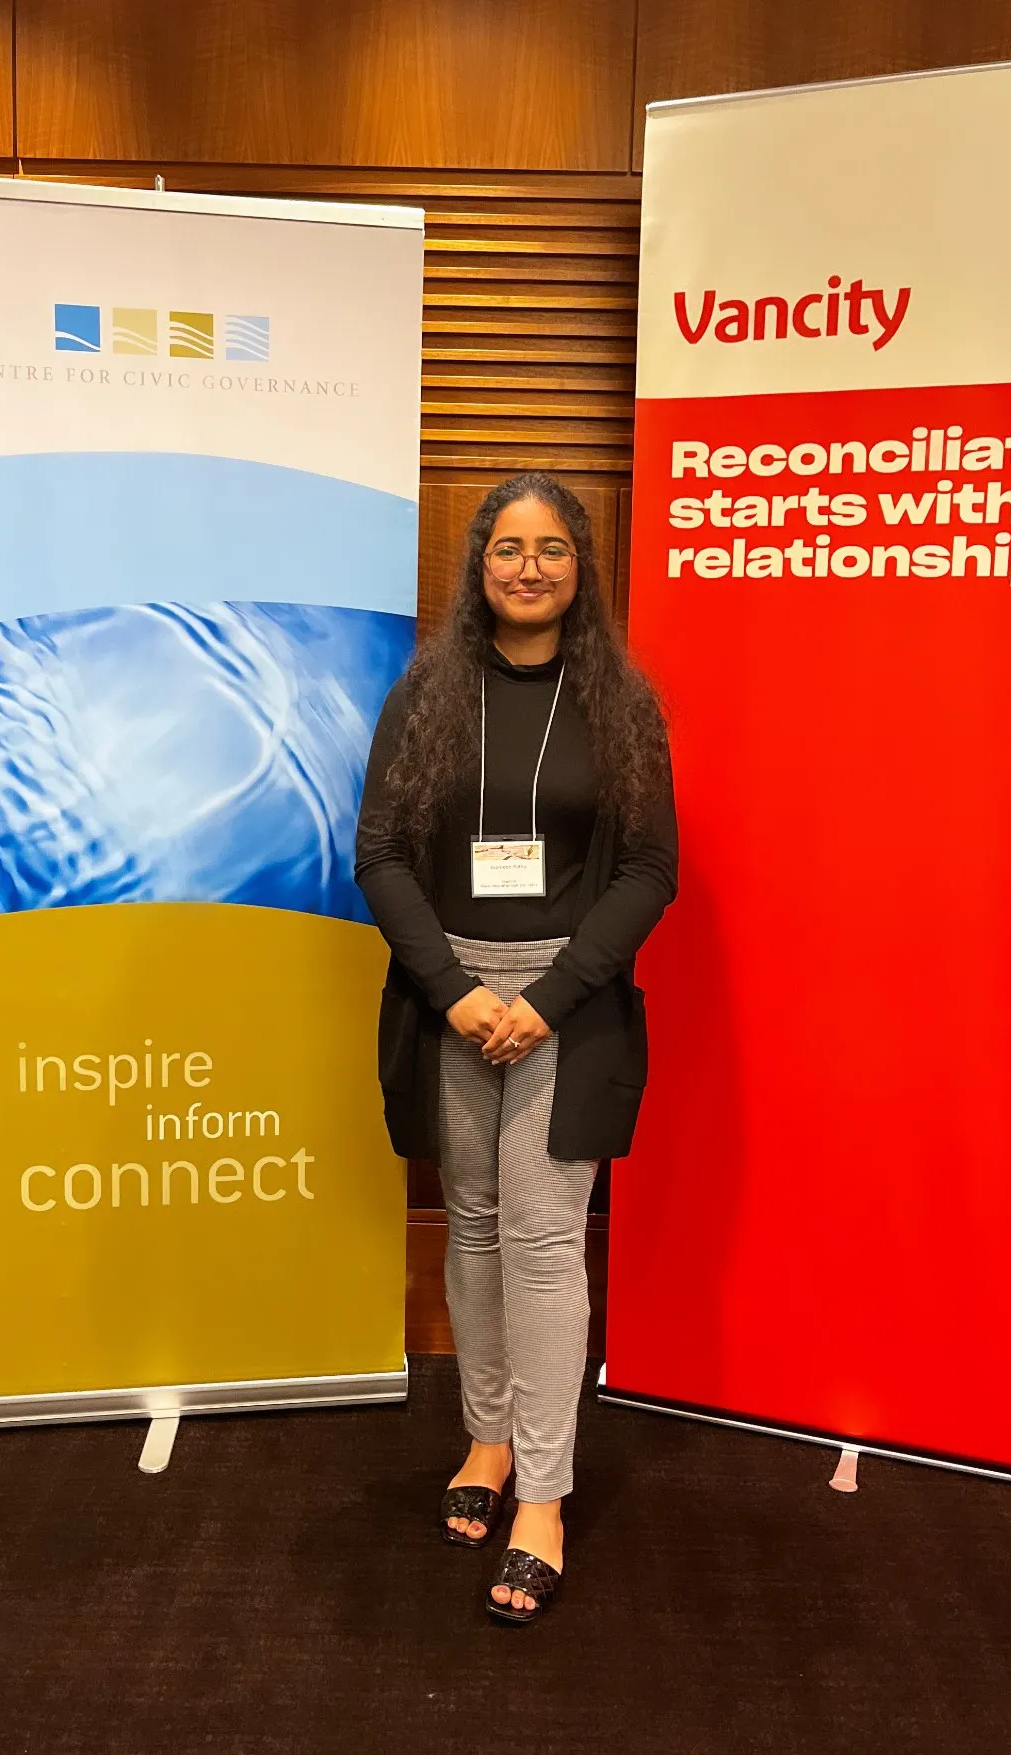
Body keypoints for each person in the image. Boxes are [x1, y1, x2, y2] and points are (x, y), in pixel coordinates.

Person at [355, 471, 677, 1624]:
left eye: (551, 548)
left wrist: (544, 996)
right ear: (478, 564)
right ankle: (485, 1439)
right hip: (449, 998)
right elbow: (381, 852)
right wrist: (454, 992)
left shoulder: (623, 704)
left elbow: (650, 872)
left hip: (567, 1004)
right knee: (477, 1225)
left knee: (544, 1239)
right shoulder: (427, 693)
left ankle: (543, 1492)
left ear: (581, 568)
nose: (527, 566)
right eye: (507, 547)